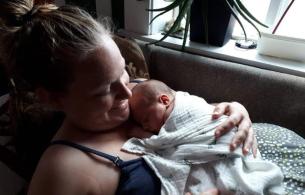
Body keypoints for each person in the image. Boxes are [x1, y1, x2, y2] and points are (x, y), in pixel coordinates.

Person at [0, 1, 256, 194]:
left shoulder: (137, 91)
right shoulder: (62, 174)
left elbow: (190, 115)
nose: (127, 91)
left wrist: (234, 111)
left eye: (122, 71)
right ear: (53, 99)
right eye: (104, 91)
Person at [126, 79, 284, 194]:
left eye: (146, 120)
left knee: (237, 173)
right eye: (142, 124)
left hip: (227, 140)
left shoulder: (181, 103)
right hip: (206, 156)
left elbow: (205, 113)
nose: (146, 127)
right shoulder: (146, 104)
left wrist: (237, 107)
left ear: (165, 100)